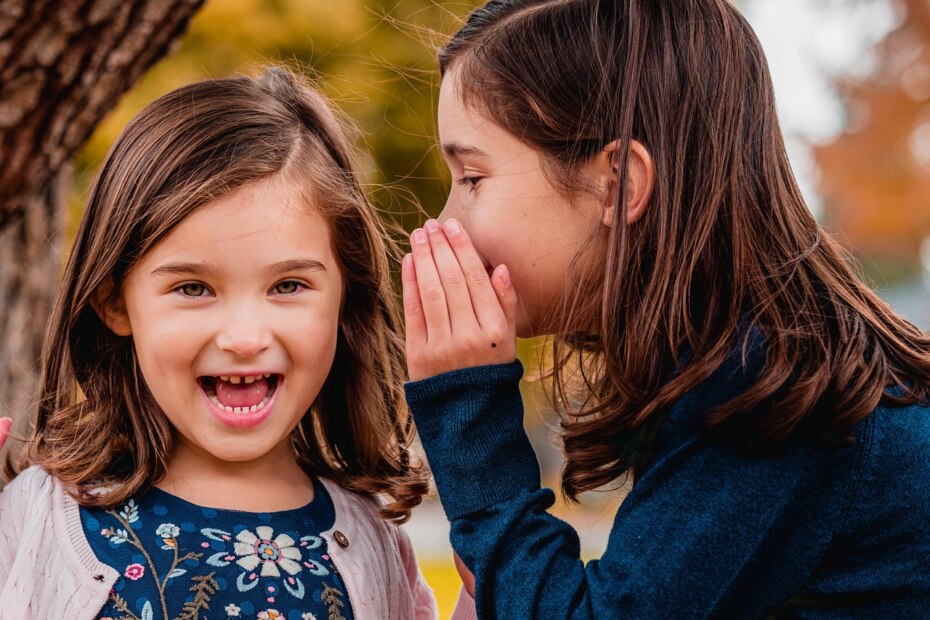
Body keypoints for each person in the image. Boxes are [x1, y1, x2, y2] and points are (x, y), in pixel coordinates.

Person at [401, 0, 930, 617]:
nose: (443, 223)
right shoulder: (763, 360)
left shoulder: (771, 396)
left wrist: (466, 407)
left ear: (619, 184)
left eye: (471, 177)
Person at [0, 68, 474, 620]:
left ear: (346, 297)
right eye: (193, 288)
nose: (246, 339)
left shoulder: (374, 543)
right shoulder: (34, 520)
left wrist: (482, 584)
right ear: (114, 302)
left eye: (288, 285)